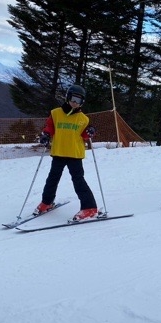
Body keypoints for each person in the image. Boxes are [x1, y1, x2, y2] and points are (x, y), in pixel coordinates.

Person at [35, 84, 99, 221]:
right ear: (68, 97)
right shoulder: (56, 113)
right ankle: (47, 202)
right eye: (73, 99)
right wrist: (46, 135)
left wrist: (90, 131)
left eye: (79, 101)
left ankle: (89, 207)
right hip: (58, 152)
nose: (75, 103)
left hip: (74, 154)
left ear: (82, 102)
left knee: (78, 180)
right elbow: (49, 127)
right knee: (52, 179)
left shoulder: (83, 119)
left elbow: (85, 135)